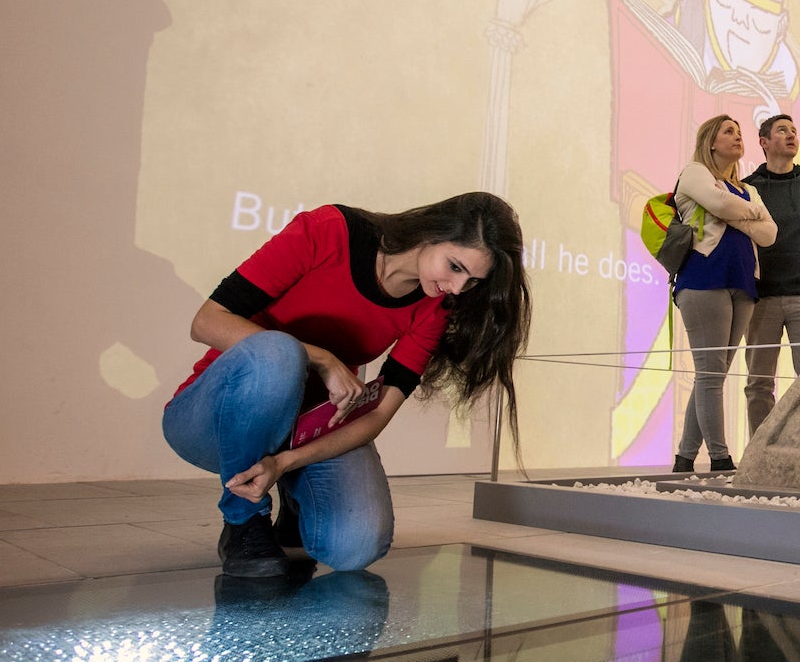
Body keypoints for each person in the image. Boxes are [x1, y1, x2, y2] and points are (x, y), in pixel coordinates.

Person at [164, 192, 530, 577]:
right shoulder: (328, 231)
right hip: (215, 421)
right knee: (278, 353)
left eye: (472, 281)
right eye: (455, 266)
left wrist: (286, 462)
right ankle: (242, 520)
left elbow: (380, 414)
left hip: (306, 433)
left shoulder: (434, 307)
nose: (457, 287)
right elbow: (205, 321)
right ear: (431, 231)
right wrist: (319, 358)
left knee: (358, 544)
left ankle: (294, 494)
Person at [672, 116, 776, 474]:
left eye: (739, 132)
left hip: (743, 283)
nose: (737, 137)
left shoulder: (748, 189)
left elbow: (770, 233)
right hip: (704, 280)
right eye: (728, 131)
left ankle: (685, 458)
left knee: (710, 375)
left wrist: (733, 209)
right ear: (711, 141)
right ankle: (720, 459)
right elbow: (720, 206)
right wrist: (748, 214)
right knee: (711, 375)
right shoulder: (694, 172)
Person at [741, 113, 800, 432]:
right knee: (758, 384)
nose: (792, 135)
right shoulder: (748, 189)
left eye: (794, 130)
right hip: (761, 299)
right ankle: (759, 458)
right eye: (782, 131)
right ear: (764, 142)